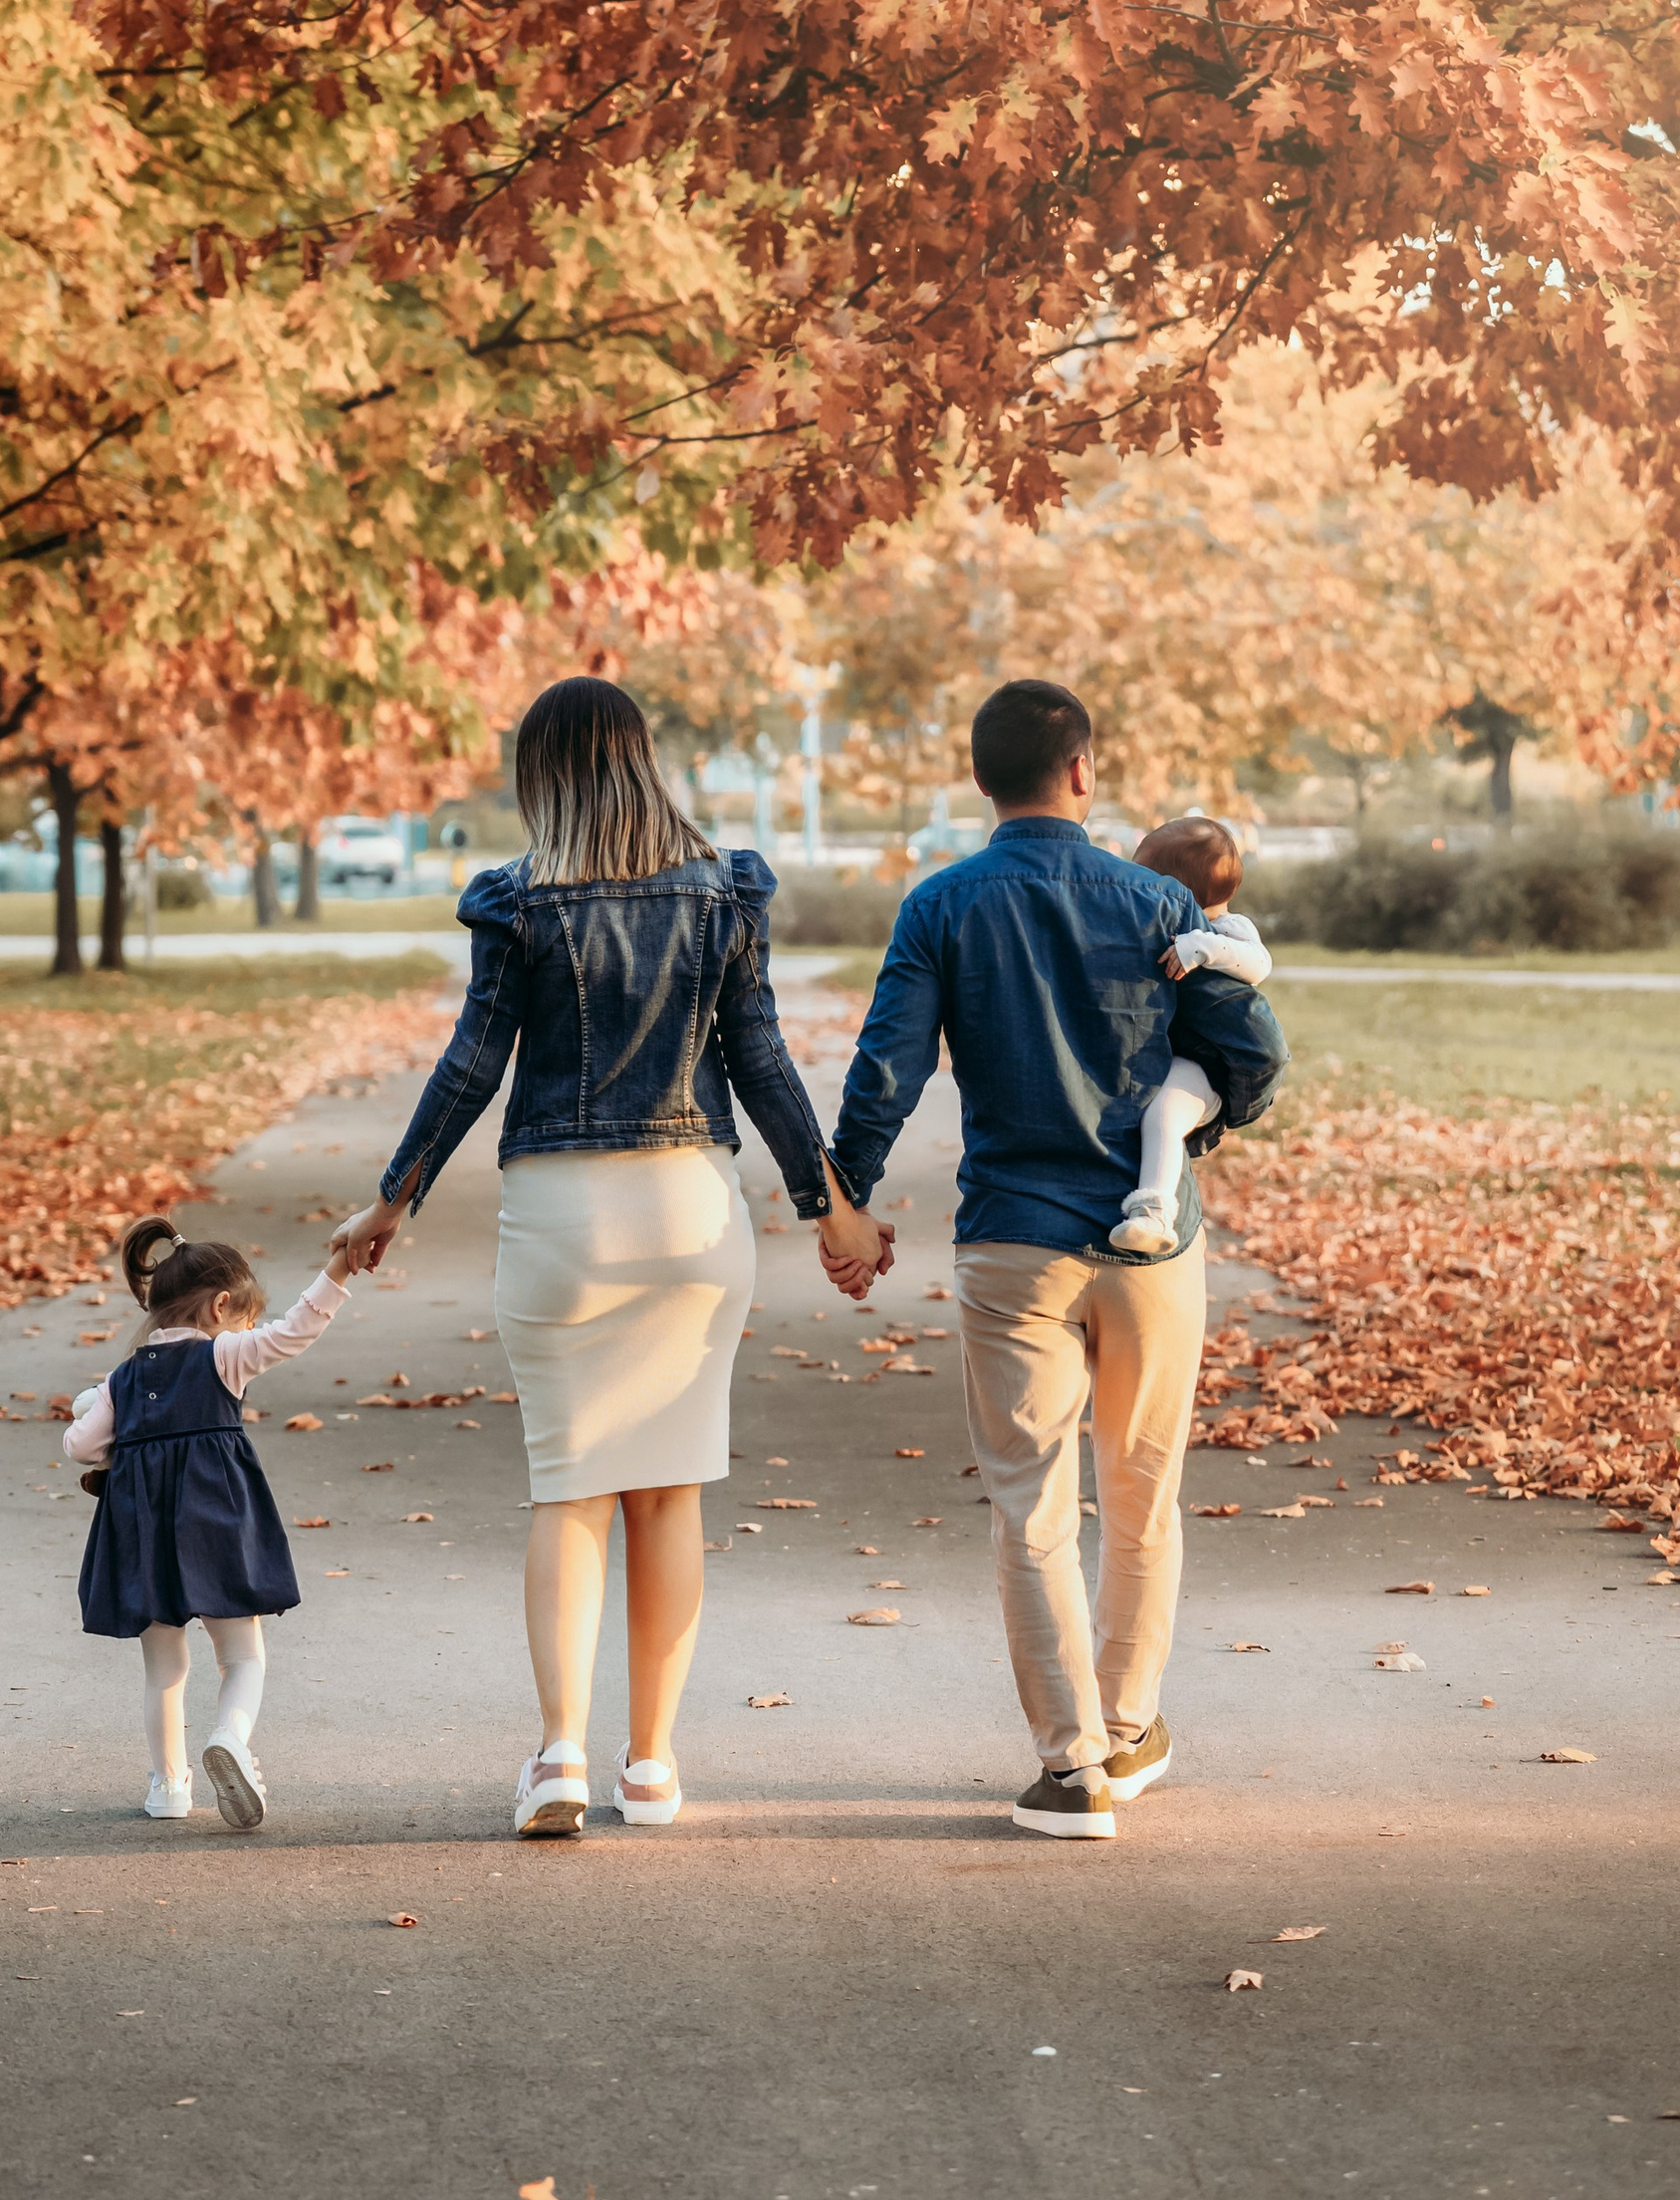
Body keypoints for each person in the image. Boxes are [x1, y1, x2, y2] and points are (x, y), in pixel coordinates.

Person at [331, 676, 875, 1839]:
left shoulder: (522, 903)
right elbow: (765, 1060)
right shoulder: (721, 892)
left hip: (562, 1224)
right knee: (667, 1492)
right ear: (643, 758)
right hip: (688, 1215)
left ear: (543, 775)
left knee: (569, 1484)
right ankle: (652, 1765)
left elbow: (472, 1065)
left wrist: (393, 1199)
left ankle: (559, 1757)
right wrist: (828, 1207)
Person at [822, 683, 1287, 1840]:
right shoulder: (1162, 900)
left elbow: (888, 1064)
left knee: (1031, 1503)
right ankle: (1130, 1730)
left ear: (984, 781)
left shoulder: (941, 905)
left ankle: (1070, 1766)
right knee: (1142, 1489)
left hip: (1012, 1240)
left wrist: (846, 1199)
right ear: (1082, 771)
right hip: (1151, 1245)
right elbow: (1248, 1052)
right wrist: (1189, 1136)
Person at [65, 1213, 358, 1829]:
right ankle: (231, 1737)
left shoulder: (122, 1379)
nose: (251, 1329)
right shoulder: (225, 1354)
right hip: (215, 1523)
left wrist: (86, 1408)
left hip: (142, 1535)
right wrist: (338, 1268)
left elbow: (82, 1449)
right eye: (246, 1318)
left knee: (164, 1671)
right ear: (223, 1306)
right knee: (243, 1656)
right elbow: (296, 1330)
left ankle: (169, 1787)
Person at [1111, 814, 1276, 1256]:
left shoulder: (1228, 929)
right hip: (1173, 1056)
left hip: (1204, 1068)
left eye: (1145, 875)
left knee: (1163, 1115)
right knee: (1155, 1113)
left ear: (1177, 890)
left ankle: (1153, 1212)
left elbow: (1259, 965)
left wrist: (1203, 947)